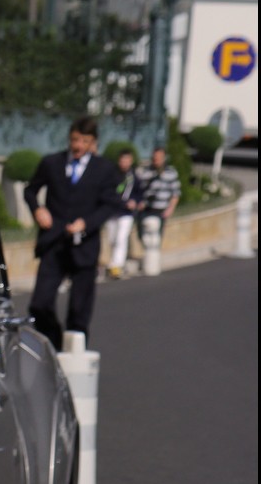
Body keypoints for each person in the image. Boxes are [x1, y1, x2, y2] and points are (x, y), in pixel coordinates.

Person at [23, 117, 124, 350]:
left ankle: (75, 356)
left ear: (93, 143)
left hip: (84, 247)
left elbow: (110, 205)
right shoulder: (51, 163)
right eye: (75, 139)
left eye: (85, 141)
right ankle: (55, 344)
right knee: (39, 304)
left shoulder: (104, 169)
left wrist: (86, 223)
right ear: (70, 138)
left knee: (79, 310)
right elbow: (30, 190)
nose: (78, 145)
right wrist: (38, 209)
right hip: (53, 243)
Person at [105, 149, 146, 279]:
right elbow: (109, 193)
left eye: (128, 160)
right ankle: (113, 263)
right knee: (112, 239)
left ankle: (117, 266)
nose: (125, 163)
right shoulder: (112, 175)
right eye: (123, 160)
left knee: (121, 239)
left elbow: (140, 192)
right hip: (113, 211)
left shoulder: (134, 177)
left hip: (126, 213)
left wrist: (137, 202)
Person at [135, 145, 181, 249]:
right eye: (155, 158)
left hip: (161, 208)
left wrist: (170, 208)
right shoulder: (146, 172)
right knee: (143, 235)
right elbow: (139, 189)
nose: (157, 160)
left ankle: (153, 259)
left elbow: (175, 193)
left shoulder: (170, 172)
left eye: (159, 158)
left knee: (156, 238)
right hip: (146, 208)